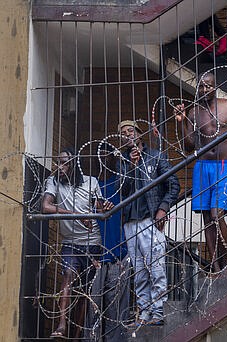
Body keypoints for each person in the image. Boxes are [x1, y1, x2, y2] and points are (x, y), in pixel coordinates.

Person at [174, 71, 227, 274]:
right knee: (207, 219)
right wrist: (182, 122)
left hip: (224, 166)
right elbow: (189, 146)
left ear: (215, 86)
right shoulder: (193, 112)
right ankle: (216, 266)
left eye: (208, 85)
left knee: (217, 215)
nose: (204, 89)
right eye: (201, 86)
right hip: (202, 167)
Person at [42, 147, 114, 339]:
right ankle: (62, 324)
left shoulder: (91, 182)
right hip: (70, 243)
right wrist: (76, 215)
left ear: (74, 164)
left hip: (92, 244)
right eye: (58, 162)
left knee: (84, 291)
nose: (60, 166)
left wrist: (106, 207)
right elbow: (46, 206)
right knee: (68, 276)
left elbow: (101, 211)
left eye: (64, 162)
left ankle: (76, 334)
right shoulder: (54, 182)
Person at [117, 120, 181, 327]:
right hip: (130, 223)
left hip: (150, 220)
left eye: (131, 131)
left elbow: (173, 184)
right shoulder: (122, 162)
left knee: (156, 268)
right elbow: (122, 191)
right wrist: (131, 166)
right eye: (124, 133)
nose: (128, 135)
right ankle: (144, 313)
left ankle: (159, 310)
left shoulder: (156, 156)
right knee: (139, 271)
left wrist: (162, 209)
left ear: (139, 133)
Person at [85, 148, 129, 341]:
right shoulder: (92, 186)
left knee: (116, 307)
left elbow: (130, 177)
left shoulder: (120, 184)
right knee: (93, 304)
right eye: (99, 155)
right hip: (97, 253)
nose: (103, 158)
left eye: (106, 155)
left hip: (119, 252)